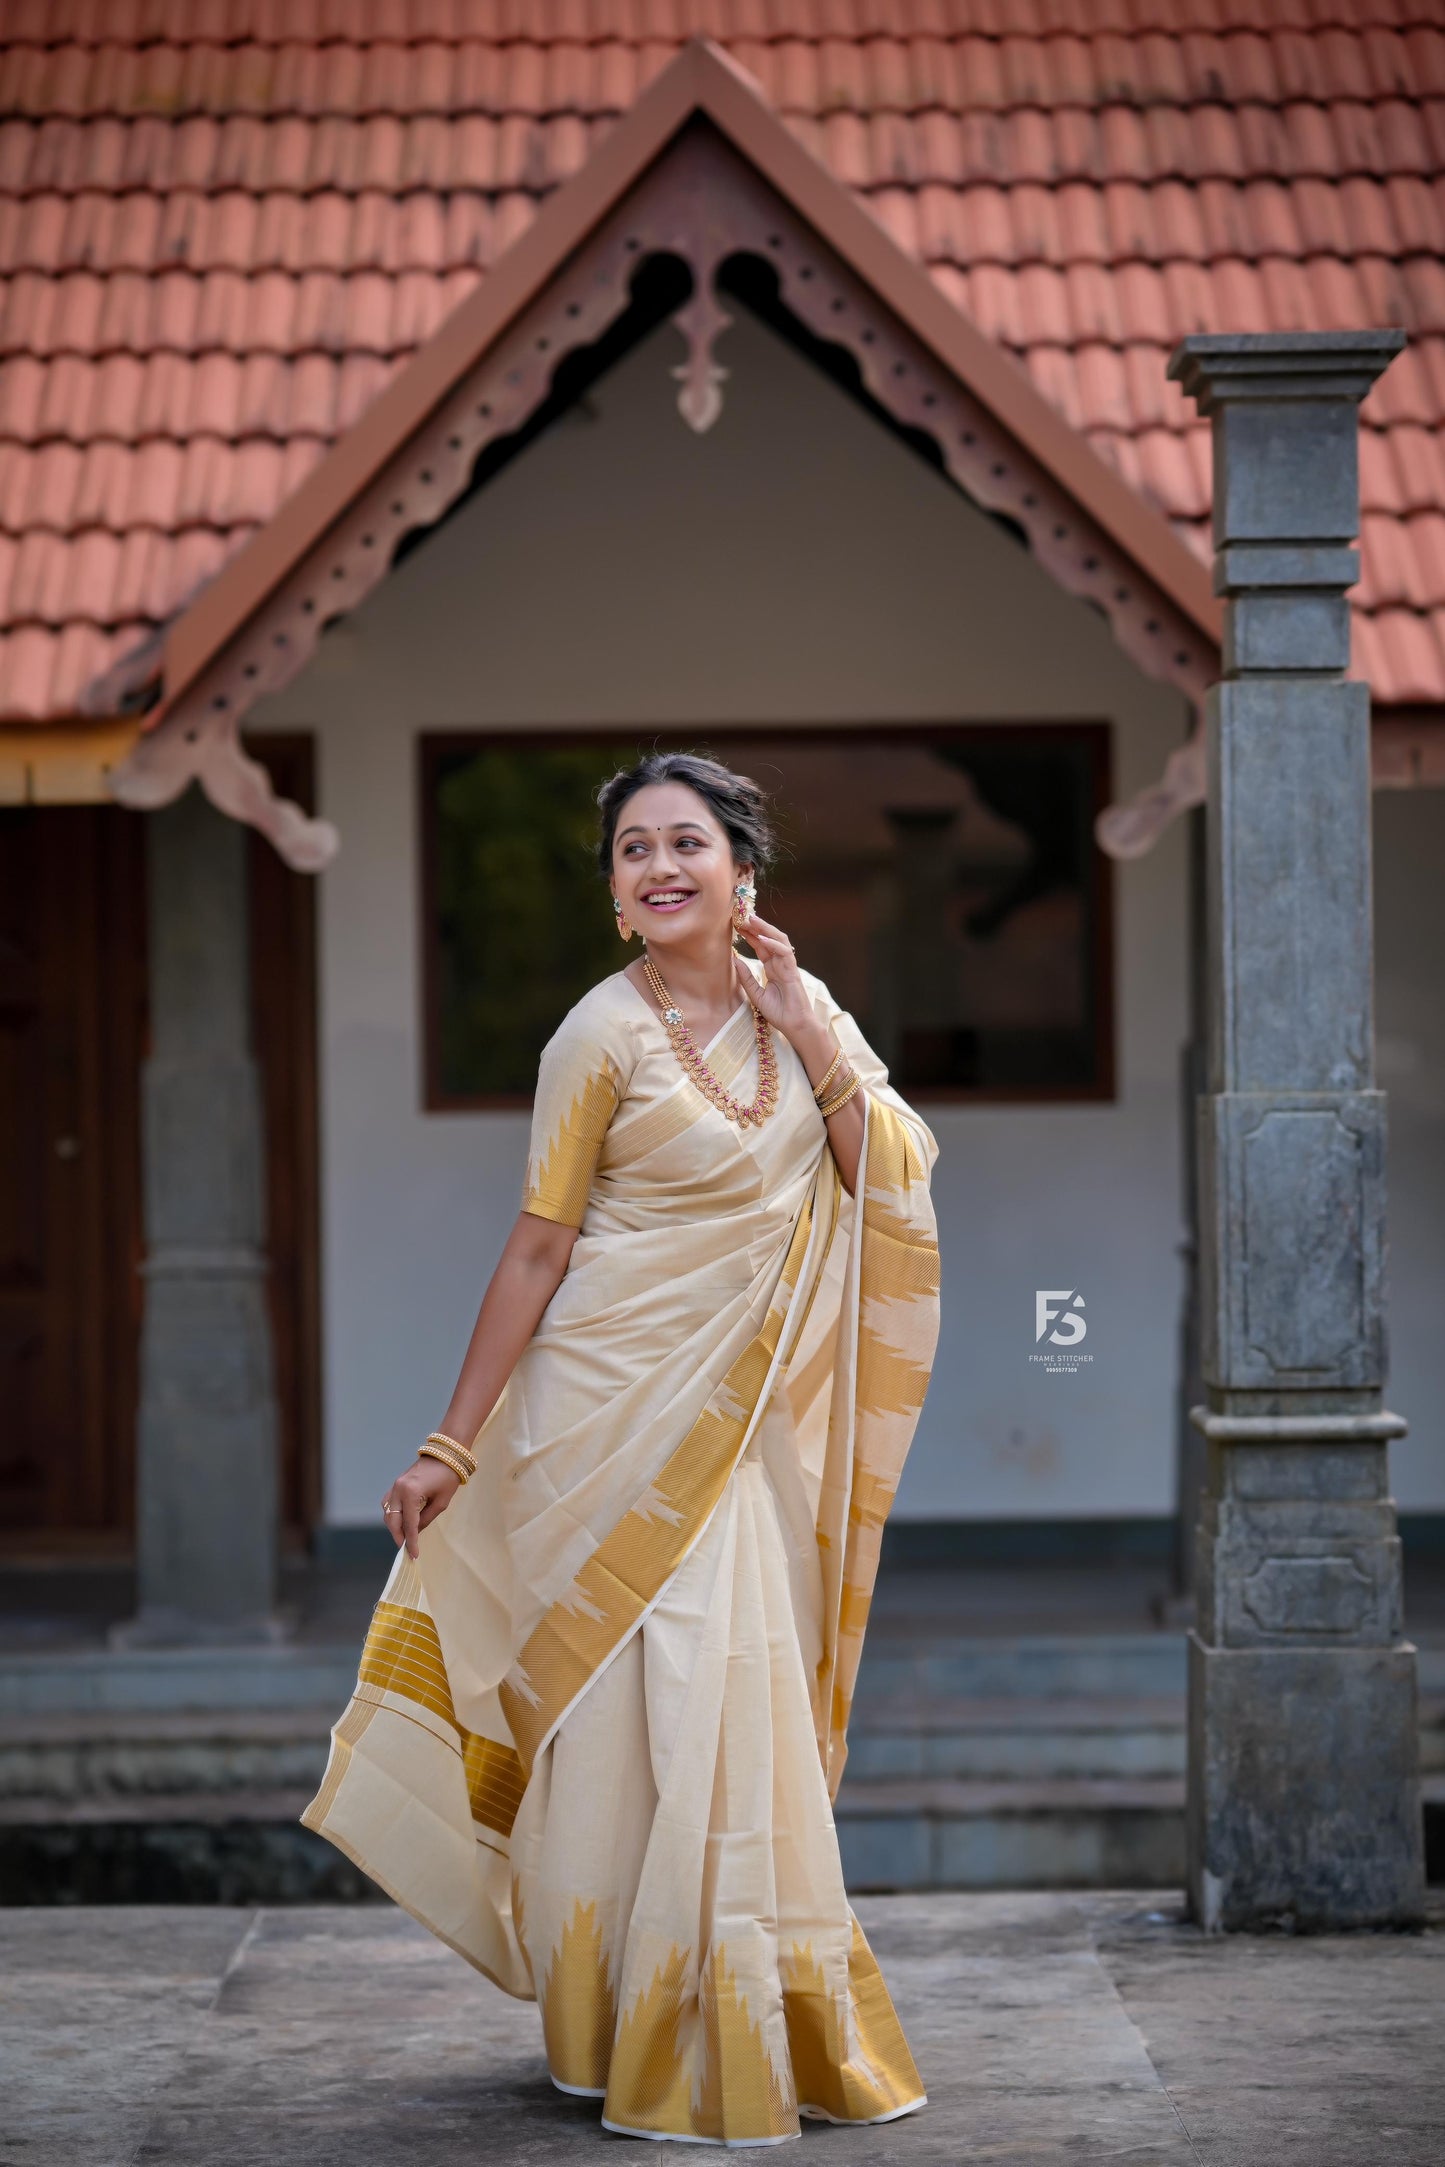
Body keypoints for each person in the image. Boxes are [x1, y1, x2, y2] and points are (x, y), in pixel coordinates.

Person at [301, 750, 942, 2147]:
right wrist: (447, 1447)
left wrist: (808, 1028)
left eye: (685, 844)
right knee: (612, 1729)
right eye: (633, 851)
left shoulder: (800, 1013)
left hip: (737, 1428)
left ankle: (749, 2011)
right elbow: (539, 1248)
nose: (658, 868)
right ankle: (620, 2020)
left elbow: (880, 1175)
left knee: (734, 1695)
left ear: (740, 873)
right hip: (602, 1408)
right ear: (613, 895)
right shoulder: (595, 1036)